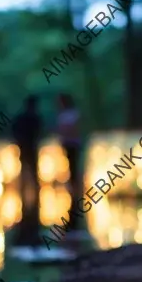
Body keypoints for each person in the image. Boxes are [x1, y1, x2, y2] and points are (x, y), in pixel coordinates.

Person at [12, 95, 41, 212]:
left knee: (26, 167)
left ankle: (25, 187)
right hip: (30, 146)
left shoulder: (22, 117)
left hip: (25, 145)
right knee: (31, 167)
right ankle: (32, 187)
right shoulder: (34, 117)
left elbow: (14, 129)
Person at [57, 93, 82, 228]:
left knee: (73, 164)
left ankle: (75, 186)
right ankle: (73, 185)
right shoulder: (65, 114)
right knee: (70, 165)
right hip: (68, 144)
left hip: (73, 144)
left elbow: (72, 129)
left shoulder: (71, 114)